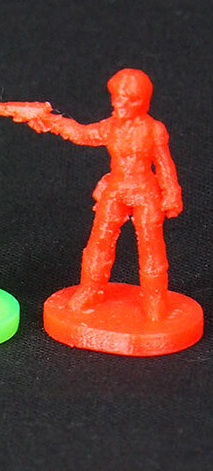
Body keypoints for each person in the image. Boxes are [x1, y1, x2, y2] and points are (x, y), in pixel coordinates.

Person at [17, 68, 181, 320]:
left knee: (151, 245)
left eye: (127, 99)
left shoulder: (153, 130)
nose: (119, 104)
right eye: (116, 97)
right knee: (100, 240)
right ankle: (91, 288)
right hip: (116, 188)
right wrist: (49, 120)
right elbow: (81, 133)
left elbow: (164, 164)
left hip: (145, 191)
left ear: (141, 102)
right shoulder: (111, 126)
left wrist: (172, 194)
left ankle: (155, 297)